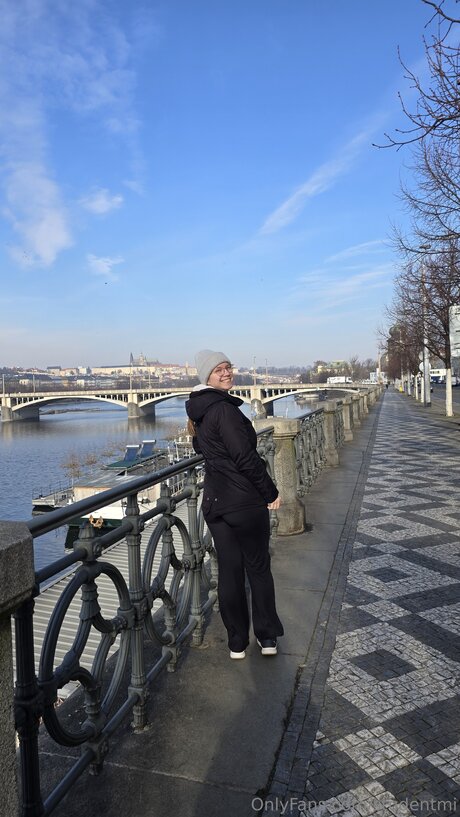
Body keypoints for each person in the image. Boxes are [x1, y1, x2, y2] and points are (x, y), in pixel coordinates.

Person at [185, 349, 284, 660]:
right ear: (208, 377)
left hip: (216, 503)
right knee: (257, 569)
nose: (226, 373)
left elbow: (202, 445)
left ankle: (237, 642)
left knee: (230, 573)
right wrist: (270, 492)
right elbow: (244, 457)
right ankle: (266, 638)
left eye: (228, 367)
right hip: (244, 502)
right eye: (219, 370)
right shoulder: (224, 411)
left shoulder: (200, 411)